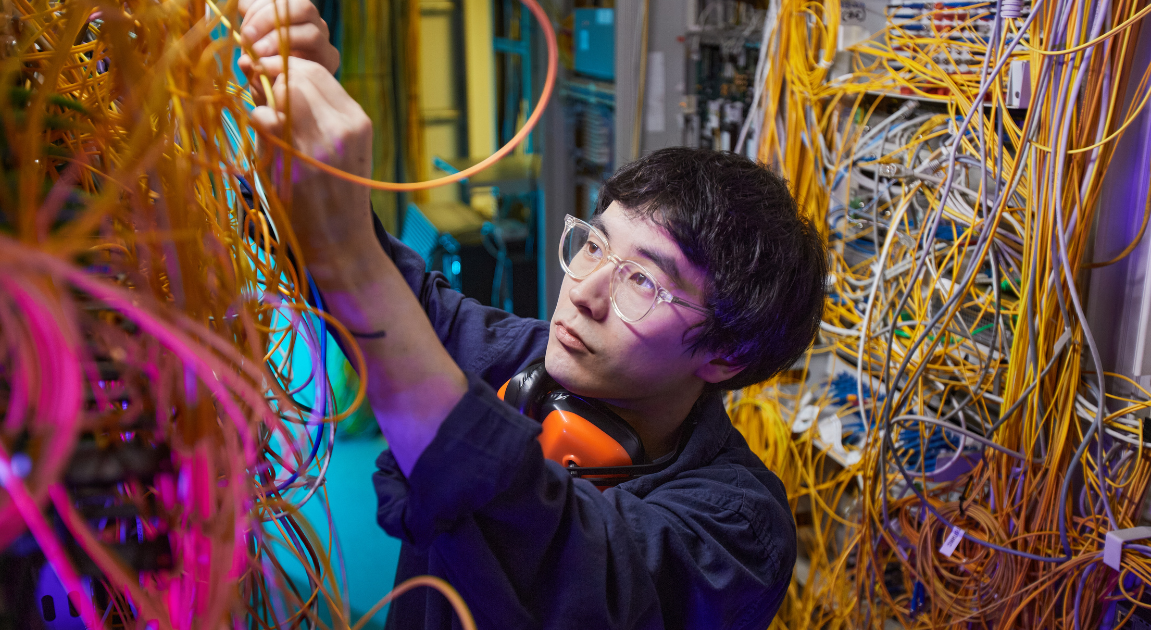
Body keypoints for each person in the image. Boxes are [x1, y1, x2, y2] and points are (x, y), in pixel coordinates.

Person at [236, 3, 826, 627]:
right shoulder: (527, 362)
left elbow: (559, 550)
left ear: (725, 354)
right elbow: (412, 304)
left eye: (642, 282)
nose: (583, 292)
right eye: (594, 246)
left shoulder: (738, 531)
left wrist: (350, 255)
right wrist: (292, 105)